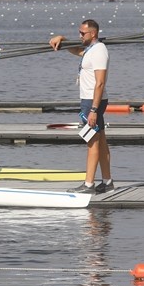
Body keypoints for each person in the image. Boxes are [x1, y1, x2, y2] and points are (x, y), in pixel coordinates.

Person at [51, 18, 113, 194]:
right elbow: (77, 51)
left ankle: (88, 185)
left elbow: (100, 83)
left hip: (92, 102)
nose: (79, 35)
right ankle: (107, 182)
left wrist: (93, 110)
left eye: (82, 33)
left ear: (93, 33)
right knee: (101, 142)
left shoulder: (99, 51)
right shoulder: (90, 50)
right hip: (90, 100)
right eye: (79, 32)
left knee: (92, 142)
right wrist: (62, 39)